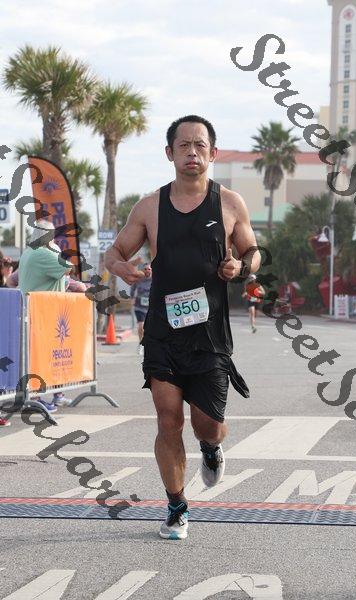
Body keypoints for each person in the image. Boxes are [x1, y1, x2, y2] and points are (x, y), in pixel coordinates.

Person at [105, 114, 261, 540]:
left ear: (213, 152)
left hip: (210, 335)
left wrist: (241, 266)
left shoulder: (230, 203)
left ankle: (211, 447)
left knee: (206, 424)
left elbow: (253, 251)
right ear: (169, 153)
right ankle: (176, 507)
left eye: (200, 145)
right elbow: (115, 252)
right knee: (167, 419)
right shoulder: (149, 206)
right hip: (163, 331)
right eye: (183, 145)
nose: (192, 152)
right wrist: (122, 268)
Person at [19, 219, 74, 411]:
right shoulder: (43, 253)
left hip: (37, 312)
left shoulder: (29, 251)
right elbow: (68, 267)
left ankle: (56, 393)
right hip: (42, 313)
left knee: (45, 356)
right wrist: (56, 249)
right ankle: (37, 396)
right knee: (41, 358)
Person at [130, 262, 152, 355]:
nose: (147, 271)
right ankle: (141, 344)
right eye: (145, 269)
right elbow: (132, 289)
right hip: (139, 306)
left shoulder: (155, 280)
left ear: (152, 271)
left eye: (149, 269)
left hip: (151, 307)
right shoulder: (139, 279)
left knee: (150, 328)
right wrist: (132, 298)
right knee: (141, 326)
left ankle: (149, 345)